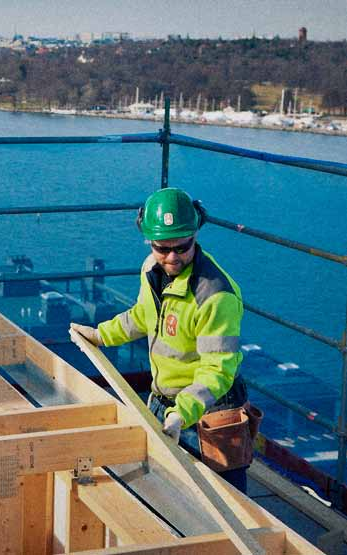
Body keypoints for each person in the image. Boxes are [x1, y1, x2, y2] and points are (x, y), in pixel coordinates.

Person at [70, 187, 249, 492]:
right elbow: (143, 316)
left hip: (211, 411)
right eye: (162, 248)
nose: (172, 258)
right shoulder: (151, 270)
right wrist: (101, 335)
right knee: (170, 498)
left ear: (195, 235)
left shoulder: (216, 296)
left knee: (225, 502)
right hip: (166, 404)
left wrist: (182, 413)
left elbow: (217, 369)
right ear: (149, 241)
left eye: (182, 247)